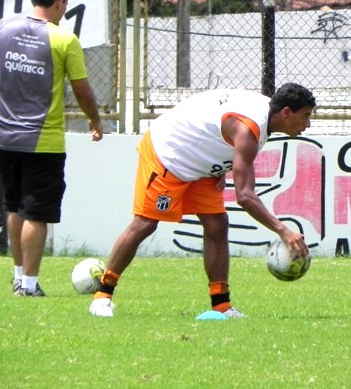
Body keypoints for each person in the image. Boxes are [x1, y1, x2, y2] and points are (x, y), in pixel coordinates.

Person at [89, 83, 316, 318]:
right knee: (146, 223)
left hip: (202, 161)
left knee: (217, 223)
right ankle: (102, 296)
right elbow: (245, 197)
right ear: (286, 112)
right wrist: (283, 230)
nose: (307, 124)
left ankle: (222, 305)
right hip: (169, 153)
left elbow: (214, 119)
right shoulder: (249, 130)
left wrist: (218, 158)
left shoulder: (263, 115)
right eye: (305, 116)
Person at [0, 0, 104, 297]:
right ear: (59, 3)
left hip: (4, 136)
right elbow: (83, 91)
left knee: (15, 206)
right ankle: (29, 286)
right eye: (65, 3)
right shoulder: (63, 39)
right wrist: (95, 121)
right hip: (42, 140)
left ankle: (19, 276)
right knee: (37, 212)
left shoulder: (3, 28)